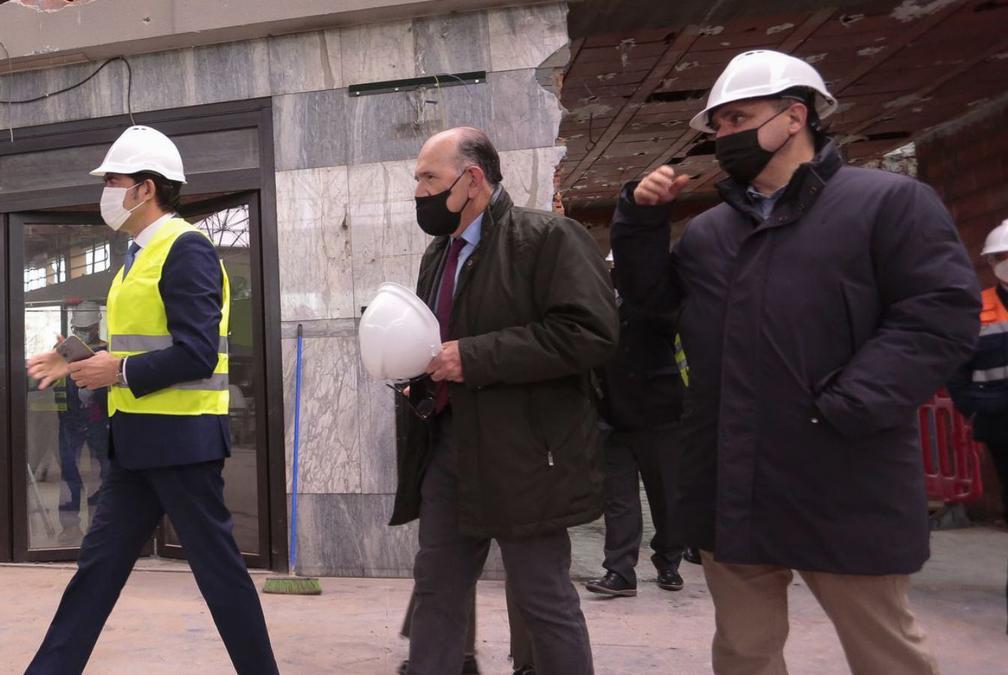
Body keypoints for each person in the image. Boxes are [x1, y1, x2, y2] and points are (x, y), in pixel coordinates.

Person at [611, 49, 980, 674]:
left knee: (884, 650)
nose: (724, 137)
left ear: (794, 116)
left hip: (841, 473)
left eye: (737, 119)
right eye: (718, 126)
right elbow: (652, 307)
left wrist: (847, 406)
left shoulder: (889, 204)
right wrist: (641, 222)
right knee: (745, 651)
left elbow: (937, 315)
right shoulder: (709, 234)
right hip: (734, 483)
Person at [24, 125, 278, 674]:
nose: (106, 192)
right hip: (136, 445)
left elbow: (198, 352)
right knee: (96, 571)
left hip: (182, 445)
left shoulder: (185, 249)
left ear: (144, 189)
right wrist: (75, 358)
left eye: (112, 181)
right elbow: (138, 342)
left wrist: (116, 370)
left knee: (219, 576)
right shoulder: (135, 256)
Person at [394, 127, 617, 675]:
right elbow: (439, 337)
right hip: (449, 451)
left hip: (526, 457)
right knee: (437, 593)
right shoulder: (437, 256)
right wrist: (413, 371)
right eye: (417, 179)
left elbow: (590, 333)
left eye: (428, 178)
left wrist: (473, 357)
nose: (418, 192)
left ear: (472, 181)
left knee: (542, 598)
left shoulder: (548, 238)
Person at [586, 263, 685, 598]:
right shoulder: (596, 301)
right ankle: (620, 570)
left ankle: (669, 560)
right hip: (612, 415)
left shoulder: (659, 301)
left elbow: (672, 326)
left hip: (659, 415)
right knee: (619, 499)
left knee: (666, 495)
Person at [948, 218, 1008, 523]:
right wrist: (972, 409)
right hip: (999, 419)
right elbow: (956, 366)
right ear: (992, 262)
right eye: (1004, 258)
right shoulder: (976, 308)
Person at [55, 301, 111, 542]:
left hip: (100, 422)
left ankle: (100, 529)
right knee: (69, 473)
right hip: (71, 421)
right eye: (78, 328)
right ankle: (69, 527)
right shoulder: (62, 353)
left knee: (103, 475)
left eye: (85, 328)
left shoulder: (107, 353)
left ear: (96, 326)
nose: (81, 332)